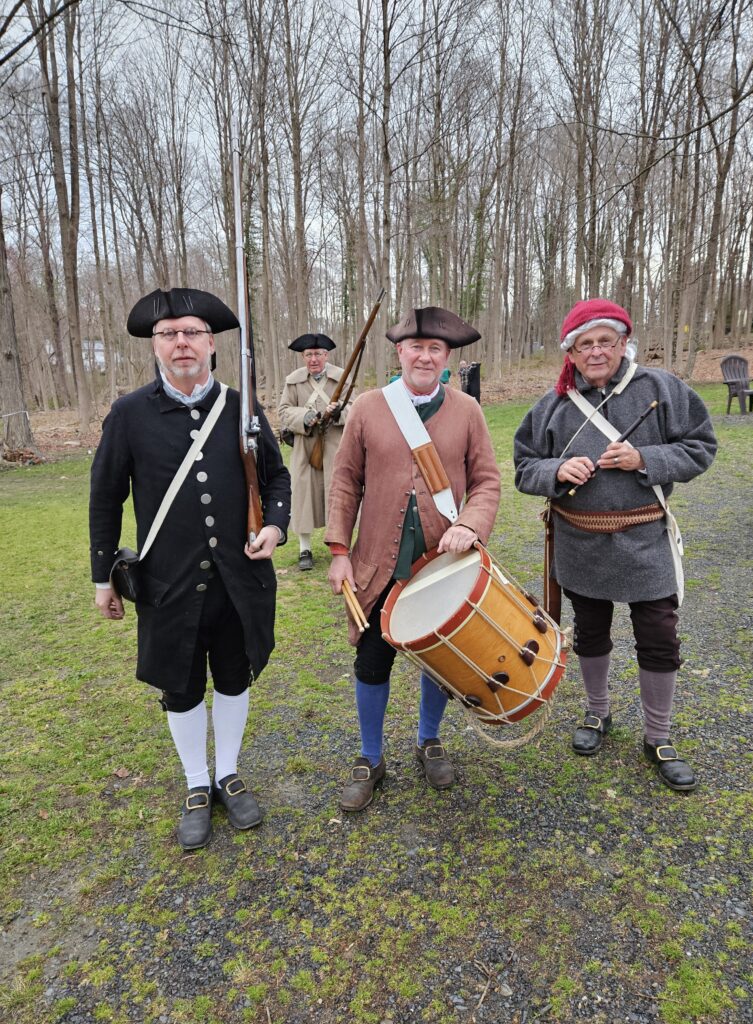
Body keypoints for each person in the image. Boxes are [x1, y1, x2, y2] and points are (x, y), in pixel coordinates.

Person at [90, 288, 291, 850]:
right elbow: (105, 499)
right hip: (167, 582)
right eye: (169, 334)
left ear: (210, 343)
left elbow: (277, 478)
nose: (181, 342)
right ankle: (196, 784)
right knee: (180, 686)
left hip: (237, 577)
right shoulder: (129, 414)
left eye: (192, 332)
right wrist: (102, 577)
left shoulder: (241, 404)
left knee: (233, 675)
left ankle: (227, 771)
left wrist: (274, 526)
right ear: (155, 346)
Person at [514, 298, 717, 791]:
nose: (597, 352)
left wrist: (643, 457)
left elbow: (701, 447)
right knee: (589, 631)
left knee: (659, 636)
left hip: (646, 537)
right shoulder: (553, 405)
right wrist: (556, 471)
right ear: (572, 353)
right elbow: (524, 466)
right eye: (586, 344)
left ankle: (659, 735)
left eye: (606, 341)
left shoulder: (661, 389)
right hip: (580, 540)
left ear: (624, 343)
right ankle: (597, 713)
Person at [325, 306, 501, 811]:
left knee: (442, 658)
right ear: (400, 352)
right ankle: (370, 757)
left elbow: (487, 481)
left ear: (447, 358)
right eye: (416, 348)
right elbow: (344, 481)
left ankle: (428, 740)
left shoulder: (467, 410)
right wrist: (339, 550)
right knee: (372, 661)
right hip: (376, 562)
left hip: (441, 560)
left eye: (436, 349)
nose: (425, 356)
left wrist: (469, 524)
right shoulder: (368, 406)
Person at [278, 334, 348, 570]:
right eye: (309, 355)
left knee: (337, 494)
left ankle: (339, 545)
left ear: (326, 355)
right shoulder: (293, 381)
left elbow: (355, 408)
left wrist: (338, 413)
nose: (313, 359)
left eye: (318, 354)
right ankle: (304, 549)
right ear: (303, 357)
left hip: (334, 445)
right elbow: (284, 411)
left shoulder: (341, 378)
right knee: (303, 495)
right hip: (305, 447)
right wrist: (305, 417)